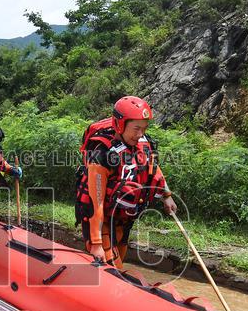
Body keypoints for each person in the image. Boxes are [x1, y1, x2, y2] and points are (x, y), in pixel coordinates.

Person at [75, 96, 177, 269]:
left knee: (119, 260)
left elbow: (153, 169)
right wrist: (97, 244)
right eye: (136, 128)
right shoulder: (101, 155)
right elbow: (96, 202)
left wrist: (167, 195)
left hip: (124, 220)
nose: (140, 134)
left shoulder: (143, 143)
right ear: (119, 125)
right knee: (112, 268)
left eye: (144, 128)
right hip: (101, 221)